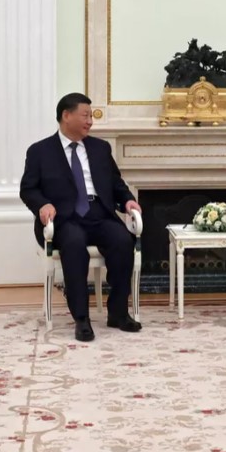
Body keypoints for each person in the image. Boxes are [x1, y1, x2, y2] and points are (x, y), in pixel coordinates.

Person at [20, 93, 143, 342]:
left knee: (122, 241)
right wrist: (42, 205)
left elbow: (116, 183)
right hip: (63, 217)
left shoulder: (100, 148)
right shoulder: (40, 151)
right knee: (74, 246)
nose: (90, 121)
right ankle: (82, 319)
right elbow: (28, 189)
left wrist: (127, 200)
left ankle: (118, 312)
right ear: (66, 116)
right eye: (85, 115)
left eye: (91, 116)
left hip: (99, 213)